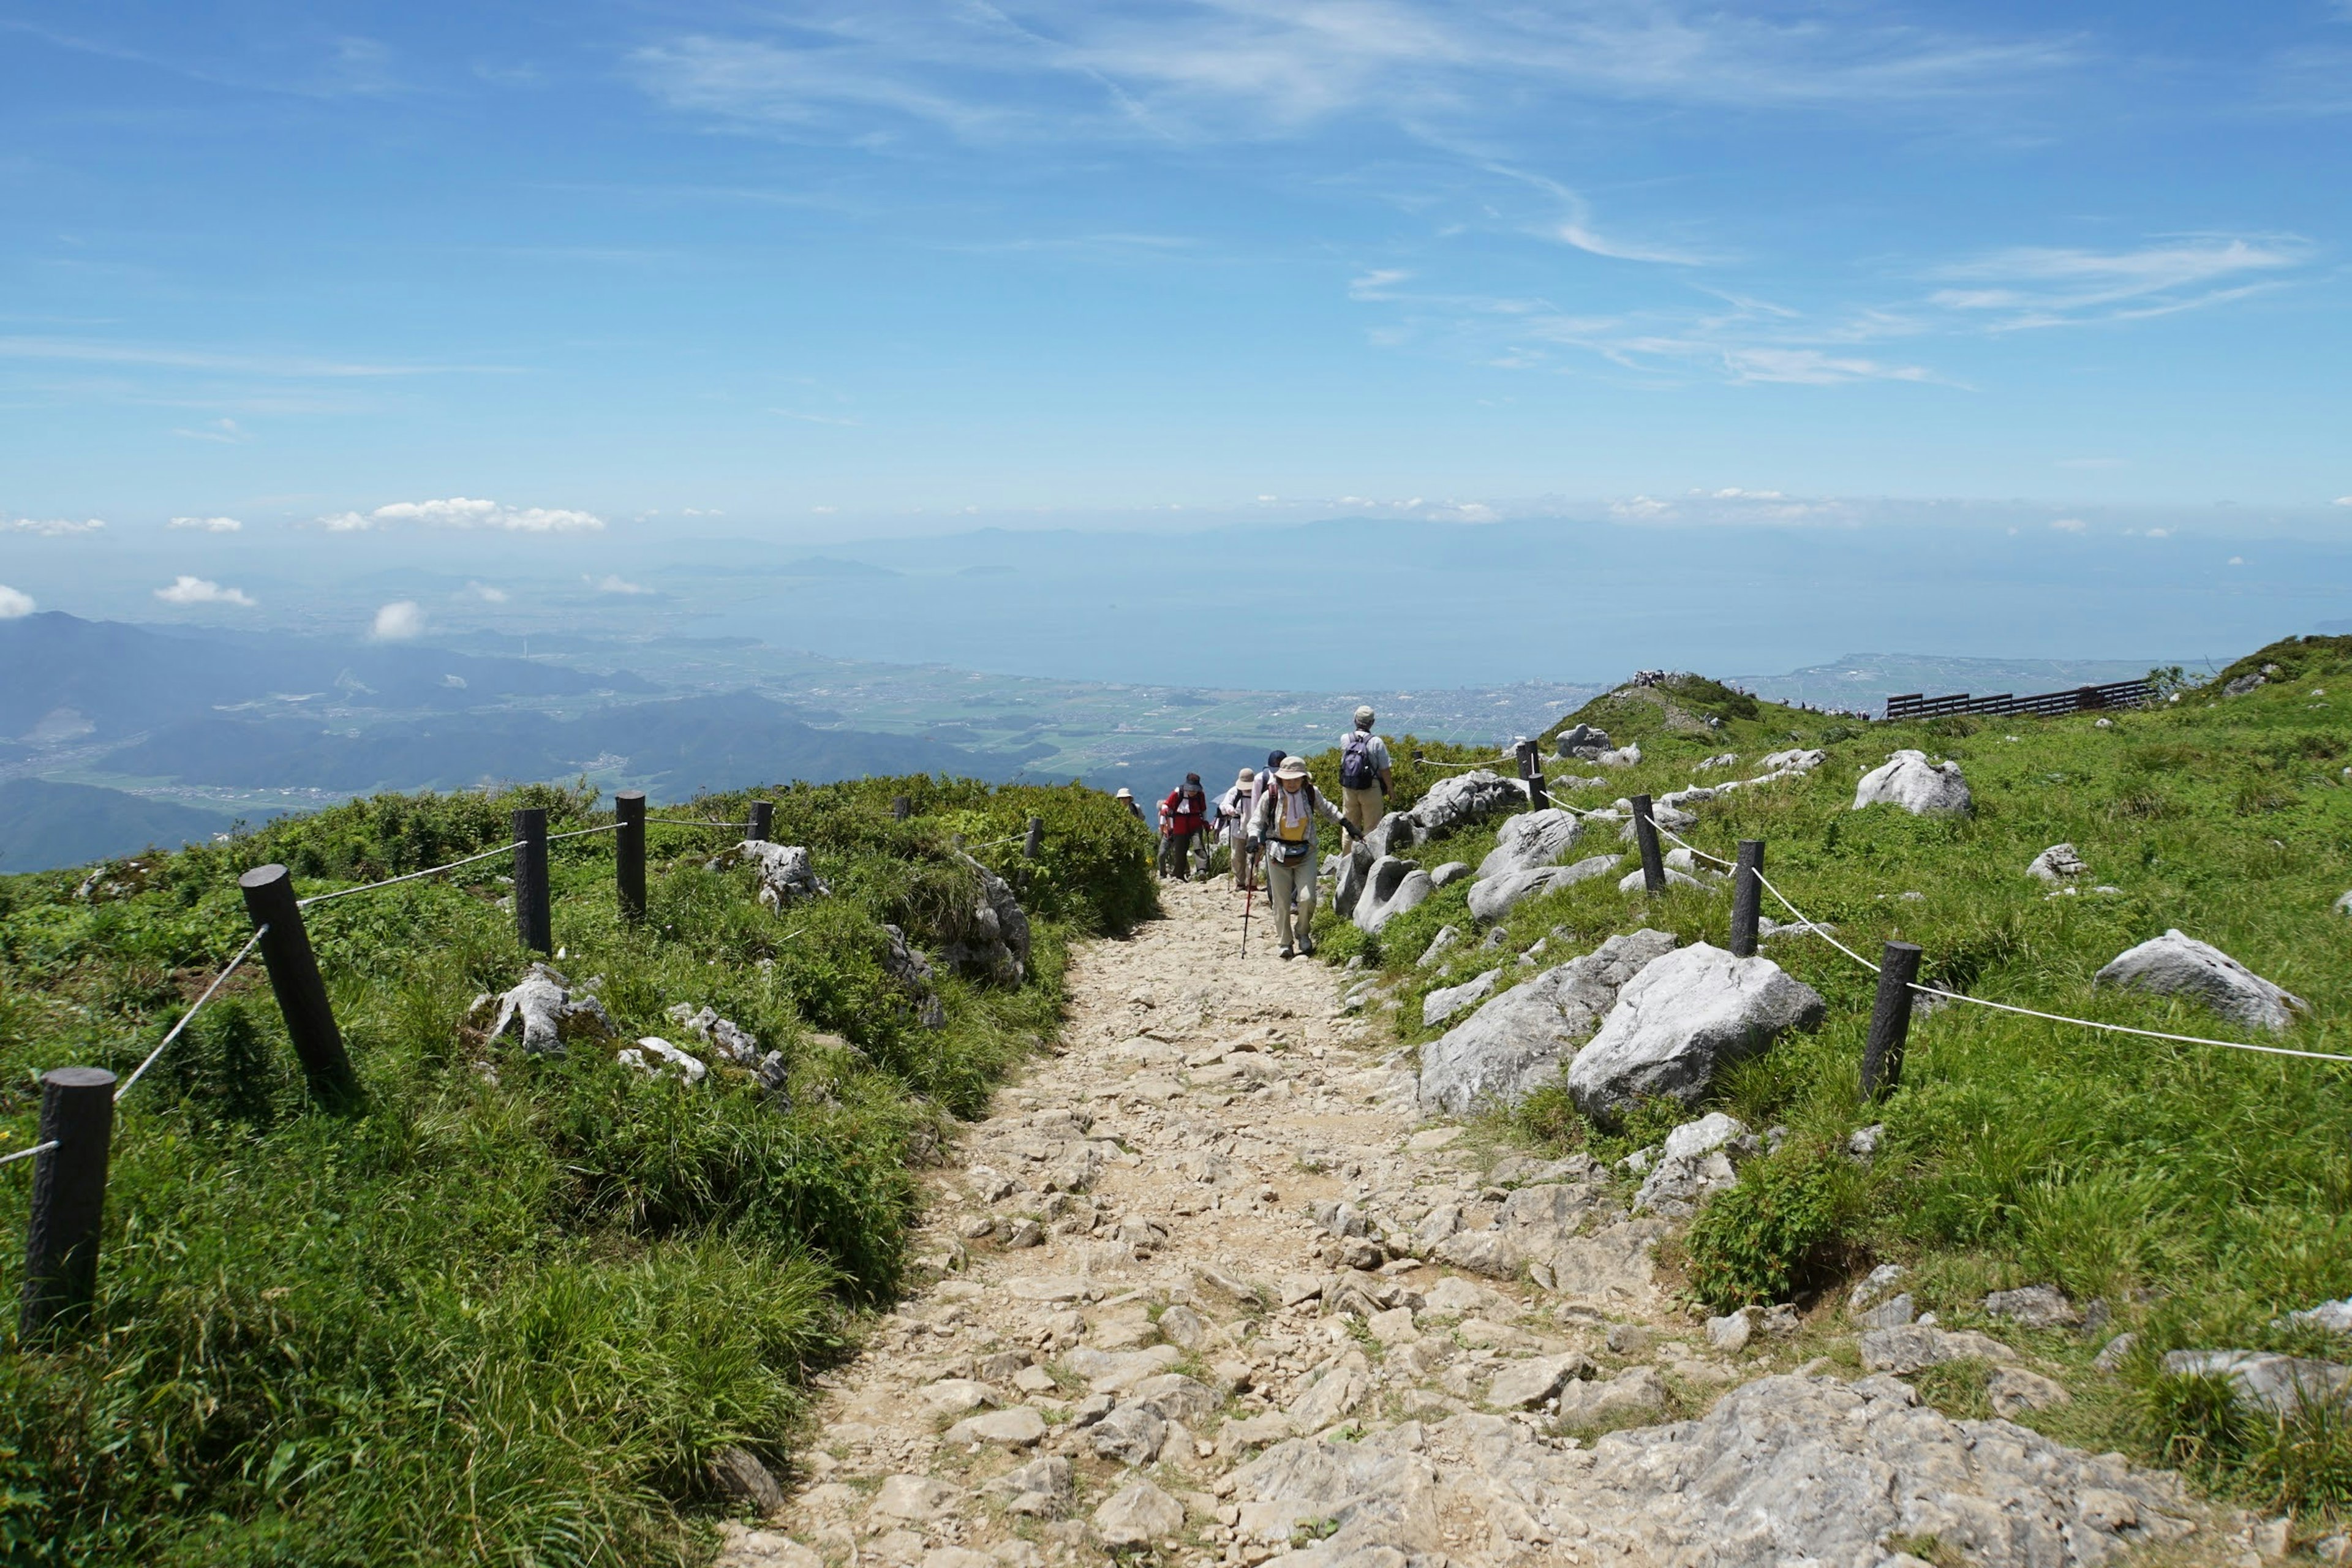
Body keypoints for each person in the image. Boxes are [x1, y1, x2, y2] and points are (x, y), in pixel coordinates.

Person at [1248, 756, 1359, 959]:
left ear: (1303, 779)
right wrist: (1254, 838)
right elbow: (1257, 820)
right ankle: (1285, 942)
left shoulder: (1310, 793)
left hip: (1306, 851)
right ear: (1280, 779)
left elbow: (1328, 809)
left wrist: (1346, 823)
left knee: (1307, 898)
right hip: (1277, 853)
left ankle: (1303, 931)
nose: (1292, 782)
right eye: (1288, 778)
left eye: (1296, 779)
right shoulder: (1270, 795)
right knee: (1281, 902)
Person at [1338, 705, 1393, 841]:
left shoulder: (1345, 738)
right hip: (1371, 787)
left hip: (1350, 787)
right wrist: (1390, 789)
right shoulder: (1376, 742)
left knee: (1349, 827)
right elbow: (1385, 769)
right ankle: (1369, 860)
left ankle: (1347, 859)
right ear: (1372, 723)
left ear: (1355, 720)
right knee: (1372, 828)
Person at [1158, 774, 1210, 881]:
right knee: (1180, 850)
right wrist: (1164, 811)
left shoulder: (1200, 795)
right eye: (1191, 790)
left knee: (1198, 845)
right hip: (1180, 824)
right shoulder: (1178, 793)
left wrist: (1205, 822)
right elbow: (1166, 804)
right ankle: (1179, 874)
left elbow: (1203, 809)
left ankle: (1202, 870)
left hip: (1195, 822)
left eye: (1195, 790)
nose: (1193, 792)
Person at [1216, 767, 1257, 891]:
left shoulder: (1258, 791)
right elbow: (1224, 805)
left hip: (1254, 828)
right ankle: (1240, 882)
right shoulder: (1235, 792)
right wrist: (1229, 809)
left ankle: (1252, 883)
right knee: (1237, 856)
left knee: (1253, 857)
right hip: (1238, 826)